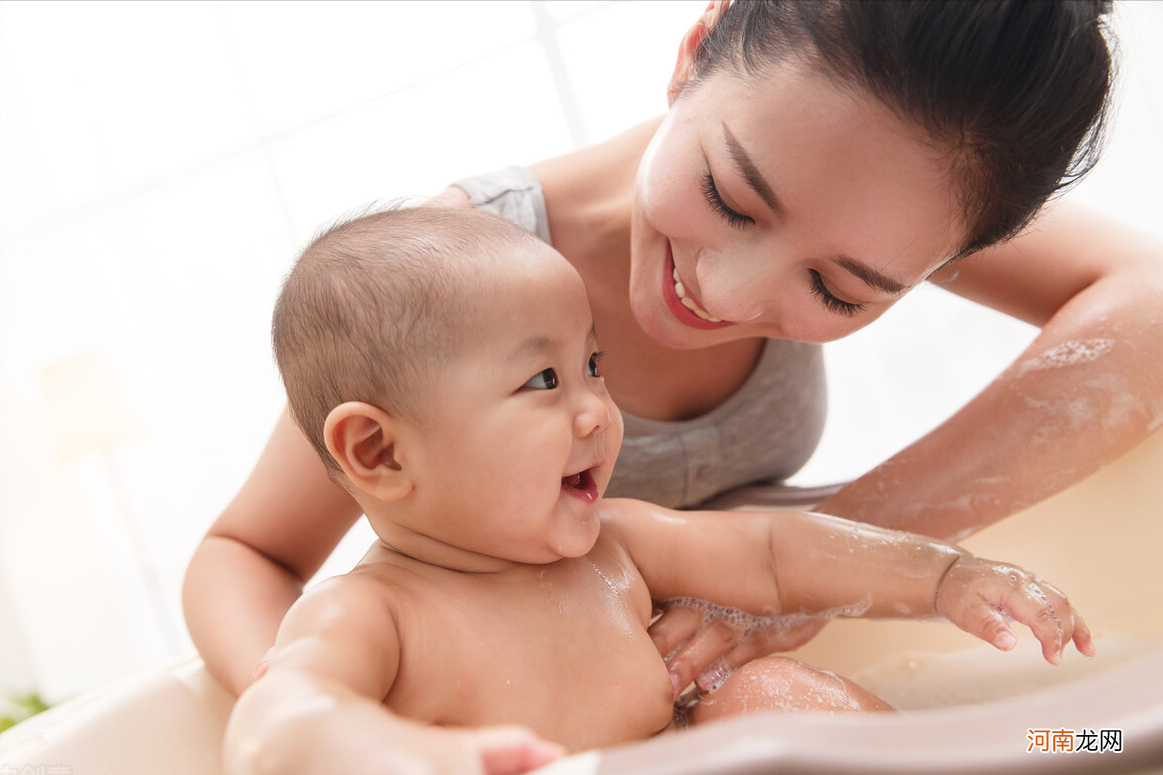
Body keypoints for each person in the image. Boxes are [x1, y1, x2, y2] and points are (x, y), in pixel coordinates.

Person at [185, 0, 1163, 698]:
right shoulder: (446, 277)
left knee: (1075, 733)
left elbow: (1149, 308)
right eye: (733, 198)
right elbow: (247, 553)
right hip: (517, 709)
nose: (723, 296)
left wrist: (824, 569)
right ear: (695, 47)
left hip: (717, 692)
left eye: (837, 288)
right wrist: (327, 713)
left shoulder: (902, 188)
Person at [223, 205, 1094, 775]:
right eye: (542, 381)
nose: (598, 409)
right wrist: (407, 756)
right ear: (377, 450)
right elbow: (280, 721)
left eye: (592, 366)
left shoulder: (617, 547)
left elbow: (773, 553)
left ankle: (1040, 745)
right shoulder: (373, 617)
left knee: (766, 696)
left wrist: (941, 575)